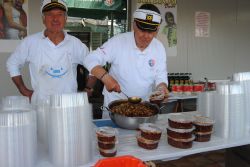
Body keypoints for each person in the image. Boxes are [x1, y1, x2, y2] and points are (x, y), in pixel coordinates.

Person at [83, 4, 169, 118]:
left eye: (151, 32)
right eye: (142, 30)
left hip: (144, 108)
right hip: (114, 108)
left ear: (157, 29)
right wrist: (105, 77)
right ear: (134, 24)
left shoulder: (159, 48)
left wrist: (162, 88)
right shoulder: (118, 42)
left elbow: (161, 77)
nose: (146, 36)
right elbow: (90, 59)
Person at [6, 0, 89, 104]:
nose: (55, 19)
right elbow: (12, 63)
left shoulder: (75, 44)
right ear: (43, 19)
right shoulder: (30, 42)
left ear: (65, 18)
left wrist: (89, 88)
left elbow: (93, 65)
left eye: (60, 14)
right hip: (40, 105)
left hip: (69, 106)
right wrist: (23, 90)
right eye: (50, 14)